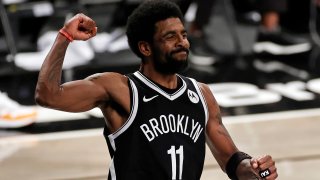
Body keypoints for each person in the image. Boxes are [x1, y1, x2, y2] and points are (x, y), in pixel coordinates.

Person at [35, 0, 278, 179]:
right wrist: (64, 37)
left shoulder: (201, 94)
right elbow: (47, 95)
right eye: (170, 36)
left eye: (183, 34)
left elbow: (231, 161)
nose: (182, 42)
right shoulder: (119, 88)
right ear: (146, 48)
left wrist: (254, 169)